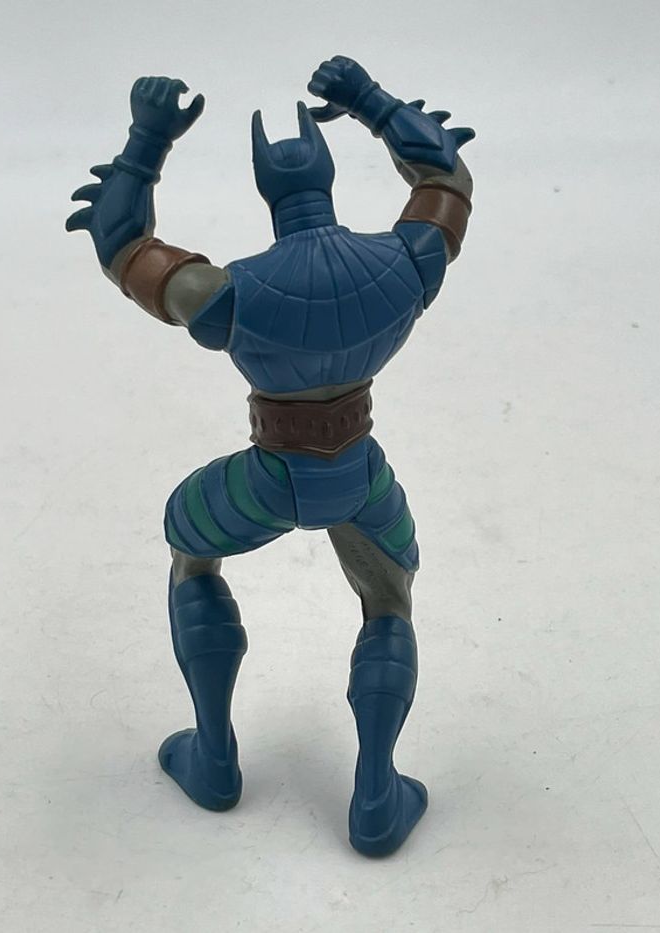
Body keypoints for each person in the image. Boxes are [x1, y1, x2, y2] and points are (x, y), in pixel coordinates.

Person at [66, 56, 474, 856]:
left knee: (190, 549)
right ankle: (377, 794)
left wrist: (148, 141)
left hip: (267, 481)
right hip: (360, 476)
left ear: (265, 188)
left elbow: (122, 245)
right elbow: (446, 178)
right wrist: (368, 99)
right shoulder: (405, 263)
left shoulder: (232, 294)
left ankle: (213, 754)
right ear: (328, 176)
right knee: (389, 602)